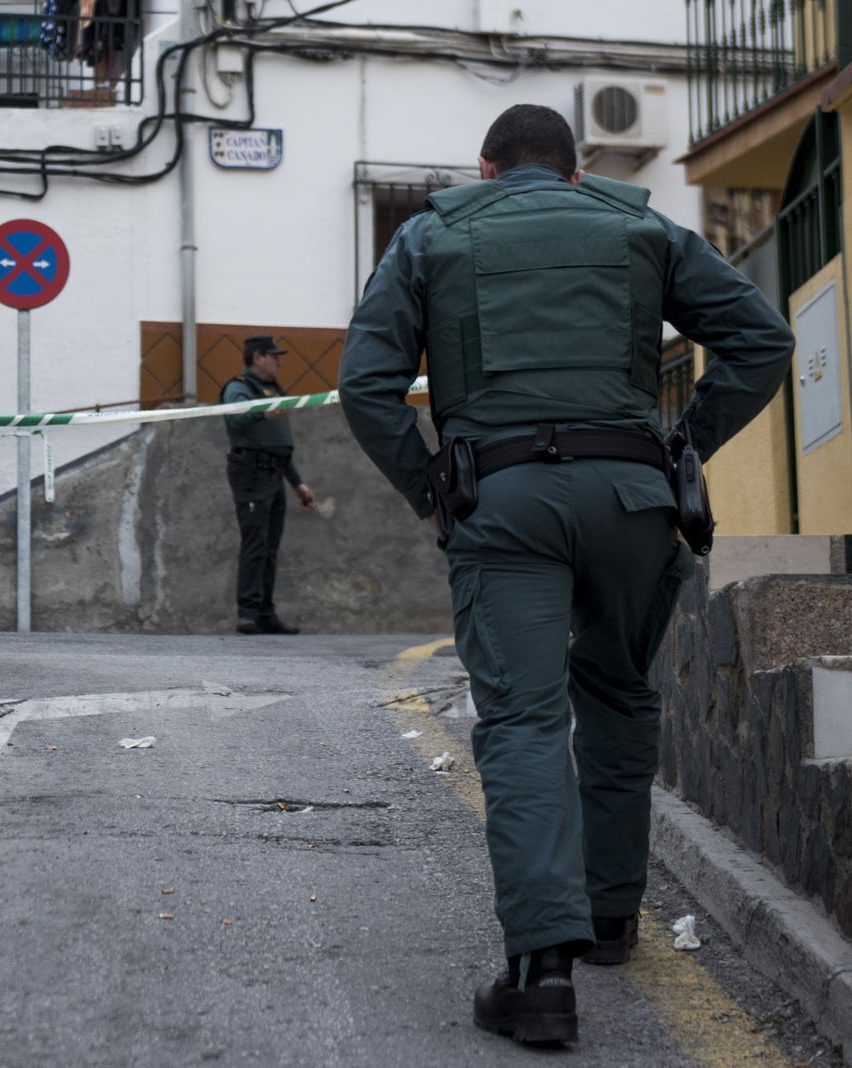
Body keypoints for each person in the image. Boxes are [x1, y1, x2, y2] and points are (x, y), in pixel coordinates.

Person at [338, 104, 794, 1046]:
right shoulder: (640, 227)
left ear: (485, 167)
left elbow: (366, 385)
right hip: (633, 500)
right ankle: (614, 918)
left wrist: (430, 486)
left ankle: (542, 971)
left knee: (525, 717)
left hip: (502, 503)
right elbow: (761, 341)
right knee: (619, 693)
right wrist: (681, 449)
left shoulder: (431, 235)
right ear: (576, 171)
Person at [221, 335, 316, 635]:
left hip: (274, 473)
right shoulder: (239, 388)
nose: (279, 362)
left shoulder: (273, 390)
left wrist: (297, 483)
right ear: (258, 357)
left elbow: (279, 444)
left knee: (270, 547)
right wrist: (262, 411)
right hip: (252, 473)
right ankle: (247, 614)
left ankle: (265, 612)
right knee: (255, 544)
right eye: (274, 356)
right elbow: (235, 418)